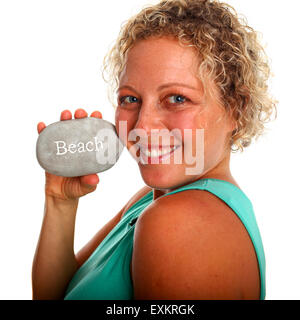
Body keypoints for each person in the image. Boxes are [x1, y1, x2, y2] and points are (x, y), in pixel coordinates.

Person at [32, 0, 277, 300]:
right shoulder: (149, 201)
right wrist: (60, 203)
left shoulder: (176, 223)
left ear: (236, 109)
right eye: (130, 99)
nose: (142, 127)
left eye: (176, 98)